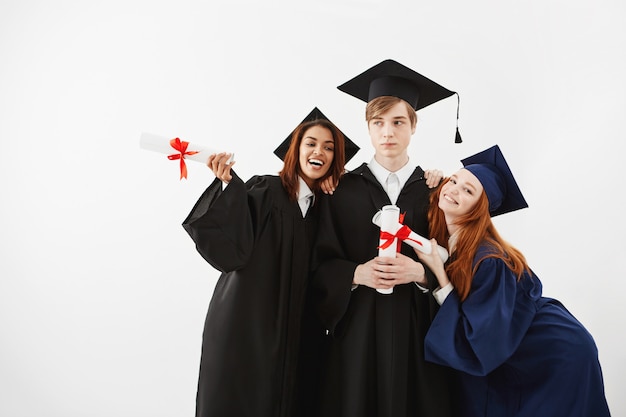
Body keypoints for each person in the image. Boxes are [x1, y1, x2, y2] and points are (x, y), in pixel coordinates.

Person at [182, 107, 359, 417]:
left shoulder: (323, 209)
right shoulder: (266, 190)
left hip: (296, 336)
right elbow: (231, 248)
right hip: (247, 328)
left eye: (329, 148)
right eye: (311, 143)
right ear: (296, 150)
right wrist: (227, 185)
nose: (319, 151)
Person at [415, 144, 612, 417]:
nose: (453, 189)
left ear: (478, 209)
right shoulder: (452, 239)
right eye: (454, 180)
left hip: (554, 353)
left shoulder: (489, 260)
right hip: (522, 351)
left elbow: (478, 338)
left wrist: (438, 274)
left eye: (468, 190)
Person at [311, 59, 459, 417]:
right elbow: (316, 262)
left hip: (418, 331)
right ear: (367, 127)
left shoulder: (437, 192)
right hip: (358, 332)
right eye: (378, 123)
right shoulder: (340, 190)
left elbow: (457, 259)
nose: (387, 132)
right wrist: (354, 274)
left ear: (413, 126)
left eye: (397, 122)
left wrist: (421, 275)